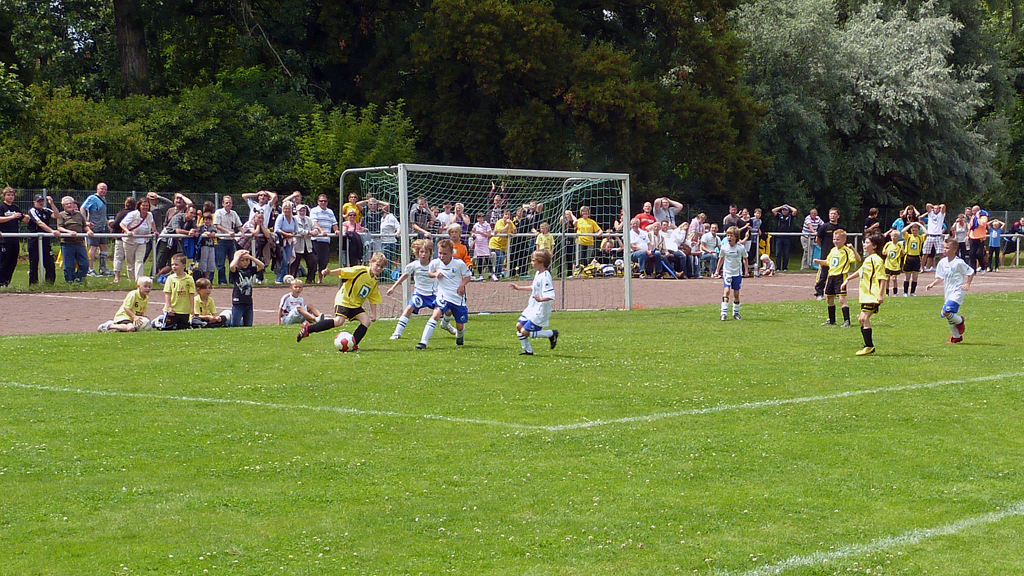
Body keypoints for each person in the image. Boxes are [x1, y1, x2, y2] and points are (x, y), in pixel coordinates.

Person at [297, 252, 388, 351]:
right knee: (339, 321)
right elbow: (343, 271)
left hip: (355, 305)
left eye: (381, 267)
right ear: (371, 262)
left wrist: (374, 314)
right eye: (377, 265)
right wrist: (330, 272)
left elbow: (373, 297)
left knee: (366, 321)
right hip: (344, 300)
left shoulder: (374, 280)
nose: (378, 268)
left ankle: (353, 344)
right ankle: (308, 329)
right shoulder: (360, 271)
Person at [415, 239, 471, 349]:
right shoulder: (435, 263)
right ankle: (423, 342)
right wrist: (436, 274)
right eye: (440, 253)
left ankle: (459, 336)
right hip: (442, 295)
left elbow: (468, 276)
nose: (441, 256)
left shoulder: (459, 263)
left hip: (457, 297)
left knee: (460, 326)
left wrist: (462, 285)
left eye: (445, 254)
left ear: (451, 253)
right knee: (435, 315)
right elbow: (430, 273)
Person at [841, 232, 886, 356]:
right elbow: (861, 271)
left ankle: (869, 346)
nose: (864, 245)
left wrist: (880, 295)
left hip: (873, 295)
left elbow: (883, 278)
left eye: (867, 243)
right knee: (861, 319)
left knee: (864, 318)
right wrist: (848, 279)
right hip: (866, 295)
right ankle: (868, 345)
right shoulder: (869, 259)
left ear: (874, 246)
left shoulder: (877, 260)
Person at [508, 249, 559, 355]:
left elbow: (551, 295)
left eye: (533, 260)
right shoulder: (538, 273)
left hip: (541, 310)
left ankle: (551, 334)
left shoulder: (546, 276)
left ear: (541, 262)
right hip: (532, 307)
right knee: (519, 326)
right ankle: (527, 350)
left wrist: (541, 299)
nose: (531, 263)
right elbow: (534, 287)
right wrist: (519, 288)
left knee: (525, 331)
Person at [925, 236, 973, 343]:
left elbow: (971, 272)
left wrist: (967, 284)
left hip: (958, 291)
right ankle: (956, 337)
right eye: (944, 247)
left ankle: (960, 321)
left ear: (954, 250)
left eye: (947, 248)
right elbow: (940, 277)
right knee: (948, 315)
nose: (944, 250)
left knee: (945, 311)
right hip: (948, 292)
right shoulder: (942, 262)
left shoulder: (959, 262)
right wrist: (932, 284)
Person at [387, 239, 437, 340]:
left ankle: (446, 325)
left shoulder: (435, 265)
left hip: (433, 294)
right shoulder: (414, 265)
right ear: (417, 253)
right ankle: (397, 333)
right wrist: (393, 287)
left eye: (426, 252)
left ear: (430, 253)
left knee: (446, 311)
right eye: (421, 252)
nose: (423, 254)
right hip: (419, 294)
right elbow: (405, 275)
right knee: (409, 308)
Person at [813, 228, 859, 327]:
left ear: (844, 240)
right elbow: (828, 262)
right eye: (834, 239)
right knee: (829, 298)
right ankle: (832, 320)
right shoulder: (833, 250)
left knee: (841, 299)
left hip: (840, 277)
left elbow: (858, 260)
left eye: (838, 239)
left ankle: (847, 321)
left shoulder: (847, 251)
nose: (835, 241)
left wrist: (853, 249)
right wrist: (819, 261)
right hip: (831, 276)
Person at [56, 196, 93, 283]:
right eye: (66, 204)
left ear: (73, 204)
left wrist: (89, 231)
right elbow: (59, 228)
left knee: (85, 263)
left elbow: (84, 226)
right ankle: (70, 282)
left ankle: (79, 280)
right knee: (68, 266)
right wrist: (69, 232)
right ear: (63, 206)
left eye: (70, 203)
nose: (69, 205)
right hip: (67, 243)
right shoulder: (61, 215)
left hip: (79, 243)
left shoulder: (79, 214)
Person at [715, 226, 749, 320]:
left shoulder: (740, 248)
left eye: (731, 236)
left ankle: (736, 313)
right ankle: (723, 313)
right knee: (726, 291)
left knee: (736, 293)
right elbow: (721, 259)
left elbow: (745, 259)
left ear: (736, 237)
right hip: (727, 272)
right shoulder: (724, 248)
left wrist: (746, 270)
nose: (729, 237)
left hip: (737, 273)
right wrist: (717, 270)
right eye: (728, 235)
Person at [119, 197, 156, 283]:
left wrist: (154, 230)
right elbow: (122, 224)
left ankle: (139, 280)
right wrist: (127, 231)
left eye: (147, 206)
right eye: (143, 205)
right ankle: (132, 280)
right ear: (139, 206)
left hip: (142, 241)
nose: (145, 207)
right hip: (130, 241)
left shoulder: (150, 215)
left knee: (139, 261)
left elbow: (152, 222)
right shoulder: (133, 214)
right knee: (130, 262)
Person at [26, 193, 59, 286]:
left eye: (42, 201)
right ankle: (33, 285)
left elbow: (57, 216)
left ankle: (49, 284)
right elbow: (39, 223)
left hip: (45, 240)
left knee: (50, 263)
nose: (41, 203)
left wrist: (52, 204)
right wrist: (52, 231)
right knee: (34, 264)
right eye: (38, 201)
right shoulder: (32, 211)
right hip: (34, 241)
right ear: (34, 202)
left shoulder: (46, 210)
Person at [80, 182, 112, 277]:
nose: (103, 191)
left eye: (105, 189)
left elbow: (103, 214)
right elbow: (82, 208)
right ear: (97, 189)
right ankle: (89, 269)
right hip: (94, 228)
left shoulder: (104, 200)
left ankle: (103, 268)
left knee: (104, 247)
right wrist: (85, 222)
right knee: (93, 247)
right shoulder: (92, 198)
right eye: (101, 188)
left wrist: (108, 224)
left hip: (102, 228)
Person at [229, 249, 265, 327]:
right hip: (238, 302)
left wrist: (251, 257)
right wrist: (237, 256)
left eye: (247, 260)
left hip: (248, 302)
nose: (245, 262)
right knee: (235, 324)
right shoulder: (236, 271)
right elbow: (232, 266)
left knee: (248, 325)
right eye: (242, 260)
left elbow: (262, 266)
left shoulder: (250, 270)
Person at [0, 187, 28, 287]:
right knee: (3, 262)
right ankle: (1, 282)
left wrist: (26, 218)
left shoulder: (15, 208)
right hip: (4, 239)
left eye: (12, 195)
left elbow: (24, 219)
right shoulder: (1, 206)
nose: (10, 197)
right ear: (4, 196)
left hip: (14, 239)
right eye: (8, 195)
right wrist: (11, 217)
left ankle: (6, 283)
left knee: (12, 262)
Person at [160, 253, 196, 330]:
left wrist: (192, 309)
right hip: (173, 310)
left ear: (184, 266)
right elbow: (167, 293)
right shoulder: (170, 278)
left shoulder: (189, 279)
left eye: (176, 264)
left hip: (184, 310)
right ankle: (158, 322)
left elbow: (191, 294)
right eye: (172, 264)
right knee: (168, 328)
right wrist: (169, 307)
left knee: (183, 328)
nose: (174, 266)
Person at [214, 194, 243, 286]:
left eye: (230, 203)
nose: (228, 204)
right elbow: (217, 225)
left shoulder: (234, 213)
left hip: (231, 241)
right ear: (223, 203)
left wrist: (243, 232)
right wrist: (228, 231)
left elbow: (239, 225)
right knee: (220, 263)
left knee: (233, 261)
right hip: (221, 241)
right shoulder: (218, 212)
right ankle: (222, 281)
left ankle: (232, 280)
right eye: (226, 203)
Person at [814, 207, 843, 299]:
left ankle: (834, 292)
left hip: (837, 255)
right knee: (823, 274)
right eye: (831, 214)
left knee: (835, 274)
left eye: (834, 214)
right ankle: (819, 293)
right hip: (826, 254)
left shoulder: (841, 228)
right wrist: (823, 247)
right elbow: (818, 239)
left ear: (838, 216)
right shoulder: (824, 227)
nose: (832, 215)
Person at [310, 194, 339, 282]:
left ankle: (320, 280)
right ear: (318, 202)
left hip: (326, 240)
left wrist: (336, 230)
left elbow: (334, 223)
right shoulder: (314, 210)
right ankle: (311, 279)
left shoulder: (330, 212)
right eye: (321, 201)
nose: (323, 202)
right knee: (314, 260)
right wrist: (321, 230)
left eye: (325, 201)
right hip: (316, 239)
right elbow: (314, 222)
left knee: (324, 261)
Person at [240, 212, 274, 281]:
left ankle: (251, 278)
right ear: (254, 218)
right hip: (241, 244)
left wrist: (261, 226)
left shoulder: (262, 225)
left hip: (251, 247)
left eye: (262, 218)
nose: (260, 219)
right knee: (241, 262)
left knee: (250, 262)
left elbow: (267, 235)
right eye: (258, 218)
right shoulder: (249, 223)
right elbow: (255, 233)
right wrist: (258, 225)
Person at [274, 200, 299, 284]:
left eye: (289, 208)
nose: (287, 210)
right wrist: (286, 234)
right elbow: (277, 229)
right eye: (285, 208)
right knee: (283, 259)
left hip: (290, 241)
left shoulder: (294, 219)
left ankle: (284, 278)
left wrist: (292, 234)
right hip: (281, 241)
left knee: (287, 261)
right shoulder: (281, 217)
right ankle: (279, 278)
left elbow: (296, 230)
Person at [901, 222, 925, 296]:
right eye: (913, 230)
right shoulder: (908, 237)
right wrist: (911, 225)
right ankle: (905, 292)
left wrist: (920, 225)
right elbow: (903, 231)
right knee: (907, 277)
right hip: (909, 257)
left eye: (916, 230)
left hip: (916, 258)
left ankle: (912, 292)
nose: (914, 232)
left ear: (918, 231)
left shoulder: (920, 237)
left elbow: (927, 233)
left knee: (915, 277)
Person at [771, 203, 798, 271]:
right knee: (778, 253)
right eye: (783, 210)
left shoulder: (790, 216)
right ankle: (778, 267)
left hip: (787, 237)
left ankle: (785, 267)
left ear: (788, 211)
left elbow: (795, 211)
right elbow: (773, 210)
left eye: (786, 210)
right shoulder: (779, 215)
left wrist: (788, 206)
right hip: (779, 237)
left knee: (786, 253)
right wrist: (781, 206)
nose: (784, 211)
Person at [921, 203, 947, 271]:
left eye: (937, 209)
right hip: (930, 235)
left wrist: (938, 207)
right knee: (925, 253)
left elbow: (943, 206)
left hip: (938, 236)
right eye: (934, 209)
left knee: (941, 253)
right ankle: (922, 267)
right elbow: (927, 205)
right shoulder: (930, 214)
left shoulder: (941, 214)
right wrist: (933, 207)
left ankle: (944, 267)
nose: (936, 210)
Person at [490, 209, 514, 279]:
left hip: (503, 246)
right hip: (495, 244)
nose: (507, 216)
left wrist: (513, 228)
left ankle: (497, 273)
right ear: (503, 215)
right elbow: (502, 231)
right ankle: (496, 274)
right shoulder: (499, 222)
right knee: (500, 258)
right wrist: (508, 224)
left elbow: (515, 230)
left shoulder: (511, 222)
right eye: (506, 214)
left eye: (508, 215)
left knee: (502, 260)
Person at [195, 211, 218, 281]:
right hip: (204, 246)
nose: (207, 221)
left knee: (210, 262)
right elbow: (198, 232)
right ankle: (203, 278)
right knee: (204, 262)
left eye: (209, 220)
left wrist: (211, 234)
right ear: (203, 220)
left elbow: (213, 233)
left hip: (211, 246)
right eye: (206, 219)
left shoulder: (212, 226)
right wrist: (204, 233)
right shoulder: (201, 227)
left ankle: (207, 279)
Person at [471, 212, 493, 281]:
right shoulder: (476, 225)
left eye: (481, 217)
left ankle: (492, 274)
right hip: (478, 244)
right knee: (479, 260)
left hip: (484, 244)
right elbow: (472, 231)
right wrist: (473, 234)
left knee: (487, 259)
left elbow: (489, 235)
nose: (480, 219)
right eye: (479, 218)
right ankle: (480, 275)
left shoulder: (487, 225)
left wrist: (481, 233)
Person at [881, 230, 903, 297]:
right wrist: (885, 253)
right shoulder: (888, 244)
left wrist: (901, 252)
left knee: (894, 279)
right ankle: (887, 293)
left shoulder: (900, 245)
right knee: (887, 279)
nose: (893, 237)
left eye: (895, 236)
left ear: (898, 237)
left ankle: (895, 293)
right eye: (892, 236)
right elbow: (883, 252)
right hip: (888, 264)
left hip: (895, 265)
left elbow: (903, 254)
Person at [967, 205, 989, 273]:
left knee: (979, 254)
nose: (973, 213)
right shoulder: (973, 217)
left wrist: (978, 217)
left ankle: (983, 267)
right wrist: (968, 235)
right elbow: (970, 226)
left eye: (974, 211)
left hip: (980, 238)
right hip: (973, 237)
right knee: (972, 254)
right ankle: (973, 269)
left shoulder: (984, 217)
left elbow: (982, 224)